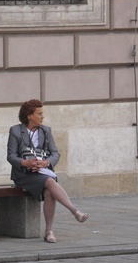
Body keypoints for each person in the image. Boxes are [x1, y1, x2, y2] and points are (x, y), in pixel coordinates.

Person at [7, 99, 89, 243]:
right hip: (24, 174)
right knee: (50, 182)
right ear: (29, 116)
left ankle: (49, 231)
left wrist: (46, 163)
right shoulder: (15, 131)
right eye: (39, 113)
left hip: (43, 172)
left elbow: (55, 153)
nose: (42, 116)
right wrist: (25, 162)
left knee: (49, 191)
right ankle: (74, 211)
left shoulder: (46, 130)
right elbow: (11, 156)